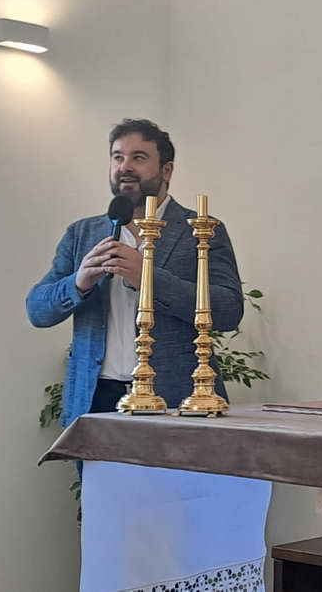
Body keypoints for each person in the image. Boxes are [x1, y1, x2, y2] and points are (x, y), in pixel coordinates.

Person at [26, 118, 243, 427]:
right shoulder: (82, 234)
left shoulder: (201, 230)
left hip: (178, 400)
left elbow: (228, 311)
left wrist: (148, 279)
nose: (125, 166)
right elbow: (38, 310)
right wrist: (79, 282)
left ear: (166, 170)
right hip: (95, 400)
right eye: (118, 157)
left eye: (138, 157)